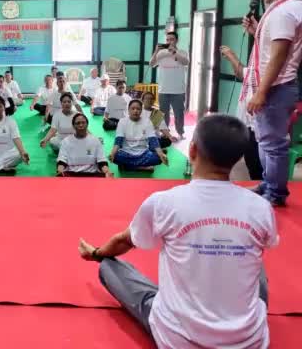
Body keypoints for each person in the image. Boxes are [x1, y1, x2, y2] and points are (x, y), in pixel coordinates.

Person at [78, 114, 278, 349]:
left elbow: (124, 241)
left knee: (111, 267)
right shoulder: (261, 208)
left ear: (192, 151)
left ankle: (101, 262)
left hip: (177, 339)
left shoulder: (165, 203)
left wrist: (97, 253)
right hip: (249, 342)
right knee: (254, 256)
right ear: (239, 158)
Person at [242, 0, 302, 206]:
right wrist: (257, 30)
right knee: (266, 139)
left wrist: (262, 92)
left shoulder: (283, 12)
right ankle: (269, 184)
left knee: (273, 143)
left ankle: (275, 193)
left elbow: (279, 54)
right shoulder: (290, 8)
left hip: (276, 87)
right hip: (279, 85)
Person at [220, 47, 263, 180]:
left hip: (260, 120)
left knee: (260, 161)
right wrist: (230, 57)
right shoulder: (256, 57)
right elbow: (242, 74)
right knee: (252, 159)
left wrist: (231, 55)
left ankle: (268, 190)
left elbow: (248, 75)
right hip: (249, 122)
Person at [150, 31, 189, 140]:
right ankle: (164, 132)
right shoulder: (161, 54)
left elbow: (186, 62)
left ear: (176, 40)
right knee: (163, 114)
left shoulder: (182, 52)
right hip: (163, 89)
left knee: (179, 113)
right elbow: (151, 64)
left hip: (178, 90)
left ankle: (180, 132)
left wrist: (174, 53)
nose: (169, 41)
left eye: (171, 39)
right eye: (167, 40)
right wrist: (156, 51)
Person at [110, 99, 168, 172]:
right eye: (133, 108)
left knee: (159, 159)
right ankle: (142, 167)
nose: (135, 111)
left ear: (141, 110)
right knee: (115, 157)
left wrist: (161, 154)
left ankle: (129, 167)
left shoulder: (147, 122)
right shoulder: (122, 121)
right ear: (128, 110)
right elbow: (118, 140)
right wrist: (112, 154)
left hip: (143, 153)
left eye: (138, 109)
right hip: (126, 153)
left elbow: (153, 140)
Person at [57, 113, 113, 178]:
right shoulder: (66, 142)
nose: (81, 125)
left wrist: (107, 171)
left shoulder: (95, 141)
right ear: (73, 126)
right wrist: (60, 170)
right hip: (71, 174)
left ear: (87, 124)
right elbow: (62, 161)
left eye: (83, 123)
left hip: (92, 174)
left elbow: (102, 161)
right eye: (78, 123)